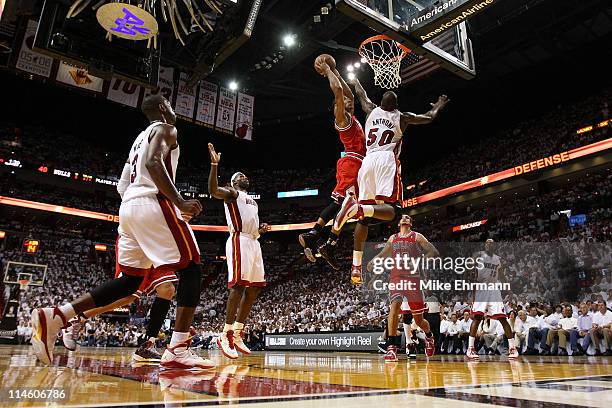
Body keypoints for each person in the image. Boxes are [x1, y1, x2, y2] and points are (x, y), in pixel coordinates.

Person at [31, 95, 213, 371]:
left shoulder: (137, 140)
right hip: (152, 202)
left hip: (129, 207)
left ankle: (58, 315)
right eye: (171, 105)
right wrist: (179, 201)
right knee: (191, 267)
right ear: (164, 109)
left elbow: (122, 185)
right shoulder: (166, 128)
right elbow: (153, 163)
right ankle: (177, 347)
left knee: (130, 281)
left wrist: (138, 209)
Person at [320, 77, 449, 284]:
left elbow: (361, 94)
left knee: (364, 221)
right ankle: (358, 208)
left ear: (381, 103)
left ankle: (356, 266)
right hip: (386, 160)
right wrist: (439, 106)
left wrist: (355, 82)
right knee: (393, 211)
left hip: (367, 162)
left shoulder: (371, 110)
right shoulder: (403, 117)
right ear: (396, 106)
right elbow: (428, 117)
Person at [299, 58, 365, 269]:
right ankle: (326, 241)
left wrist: (336, 70)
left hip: (354, 163)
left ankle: (314, 235)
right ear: (338, 106)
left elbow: (347, 93)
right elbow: (338, 91)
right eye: (345, 102)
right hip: (352, 162)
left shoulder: (351, 115)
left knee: (340, 204)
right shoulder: (342, 119)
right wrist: (328, 70)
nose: (349, 101)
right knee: (345, 204)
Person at [207, 143, 269, 359]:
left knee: (254, 289)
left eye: (245, 176)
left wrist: (259, 230)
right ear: (234, 182)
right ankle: (225, 334)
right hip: (239, 240)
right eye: (240, 175)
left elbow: (250, 221)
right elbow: (213, 190)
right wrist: (214, 165)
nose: (245, 177)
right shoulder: (232, 193)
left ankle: (238, 331)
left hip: (253, 241)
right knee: (239, 286)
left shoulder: (253, 201)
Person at [367, 214, 438, 361]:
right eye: (403, 217)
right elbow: (383, 254)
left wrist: (420, 262)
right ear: (399, 223)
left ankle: (429, 337)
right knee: (394, 309)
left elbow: (433, 252)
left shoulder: (417, 237)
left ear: (410, 223)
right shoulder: (393, 238)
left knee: (418, 321)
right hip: (396, 277)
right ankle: (391, 348)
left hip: (413, 280)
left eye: (408, 218)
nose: (405, 218)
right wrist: (374, 260)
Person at [466, 239, 518, 360]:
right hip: (481, 287)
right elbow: (468, 268)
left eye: (491, 243)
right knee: (478, 317)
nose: (488, 244)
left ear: (494, 246)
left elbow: (501, 275)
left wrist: (509, 290)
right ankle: (470, 348)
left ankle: (512, 348)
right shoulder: (479, 255)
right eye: (487, 243)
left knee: (502, 318)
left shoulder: (497, 259)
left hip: (494, 289)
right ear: (484, 245)